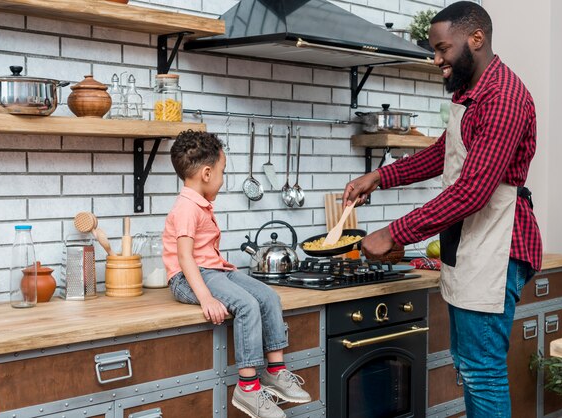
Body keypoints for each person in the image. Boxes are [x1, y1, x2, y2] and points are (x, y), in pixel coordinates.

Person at [343, 2, 542, 417]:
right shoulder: (474, 93)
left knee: (482, 372)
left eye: (442, 49)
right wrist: (380, 177)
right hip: (472, 244)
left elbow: (472, 191)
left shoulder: (503, 97)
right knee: (470, 368)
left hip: (498, 245)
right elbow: (442, 154)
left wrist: (394, 233)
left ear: (476, 39)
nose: (437, 60)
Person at [162, 130, 311, 418]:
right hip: (188, 278)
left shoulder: (199, 204)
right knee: (246, 305)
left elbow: (204, 254)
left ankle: (275, 372)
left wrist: (220, 271)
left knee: (267, 296)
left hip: (212, 270)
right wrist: (206, 298)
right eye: (222, 171)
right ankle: (248, 387)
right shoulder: (186, 208)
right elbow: (184, 257)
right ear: (207, 173)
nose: (223, 178)